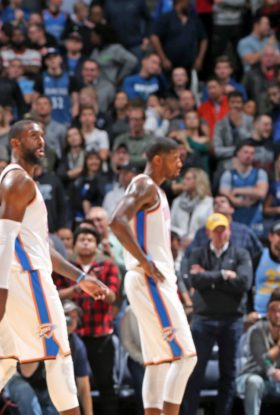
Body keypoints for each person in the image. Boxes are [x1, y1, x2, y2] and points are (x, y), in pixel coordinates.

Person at [0, 120, 110, 415]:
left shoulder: (21, 180)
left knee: (1, 363)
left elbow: (39, 247)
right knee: (59, 356)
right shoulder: (18, 182)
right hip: (25, 280)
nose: (41, 141)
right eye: (32, 136)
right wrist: (1, 294)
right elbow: (4, 242)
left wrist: (80, 277)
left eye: (42, 135)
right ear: (14, 143)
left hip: (14, 278)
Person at [110, 136, 197, 415]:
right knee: (186, 357)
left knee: (158, 362)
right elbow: (116, 221)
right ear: (158, 159)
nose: (180, 163)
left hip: (149, 280)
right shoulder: (145, 185)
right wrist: (144, 260)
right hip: (149, 280)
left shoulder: (155, 190)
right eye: (176, 158)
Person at [181, 213, 253, 415]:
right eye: (216, 231)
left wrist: (209, 279)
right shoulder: (197, 253)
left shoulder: (241, 254)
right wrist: (223, 275)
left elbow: (244, 283)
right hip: (203, 319)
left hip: (232, 319)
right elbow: (193, 280)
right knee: (194, 371)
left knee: (228, 372)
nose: (221, 234)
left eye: (223, 230)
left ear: (229, 230)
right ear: (208, 233)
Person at [57, 226, 120, 413]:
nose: (85, 242)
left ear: (97, 245)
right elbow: (52, 294)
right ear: (74, 244)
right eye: (82, 239)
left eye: (90, 240)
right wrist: (75, 289)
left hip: (100, 335)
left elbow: (113, 296)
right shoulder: (65, 267)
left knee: (106, 385)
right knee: (68, 387)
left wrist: (99, 289)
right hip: (71, 336)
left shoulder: (108, 265)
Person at [235, 287, 280, 415]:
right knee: (255, 381)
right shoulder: (256, 330)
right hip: (253, 376)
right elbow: (263, 360)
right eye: (273, 310)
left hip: (278, 380)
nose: (277, 315)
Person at [219, 142, 269, 233]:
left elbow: (261, 193)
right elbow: (225, 198)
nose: (249, 156)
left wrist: (237, 190)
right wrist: (248, 199)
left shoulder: (260, 173)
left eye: (252, 153)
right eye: (245, 152)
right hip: (234, 221)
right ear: (238, 153)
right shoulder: (228, 175)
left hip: (255, 222)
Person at [170, 168, 214, 248]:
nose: (184, 182)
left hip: (201, 246)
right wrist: (178, 239)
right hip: (179, 246)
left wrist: (194, 240)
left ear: (198, 181)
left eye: (188, 179)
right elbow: (171, 225)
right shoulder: (177, 202)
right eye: (184, 178)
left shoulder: (209, 203)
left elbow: (210, 228)